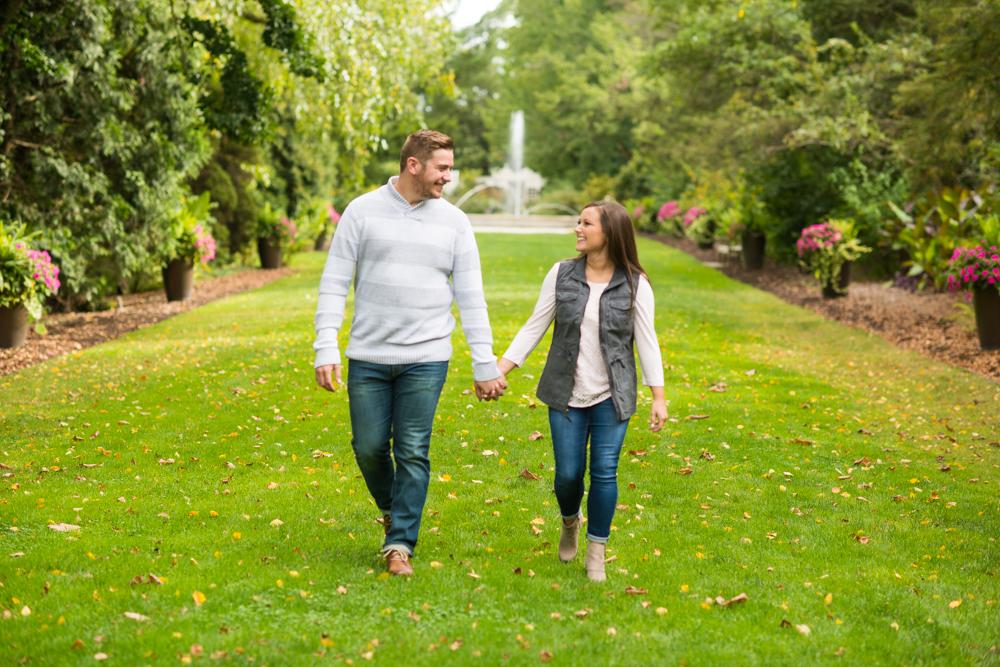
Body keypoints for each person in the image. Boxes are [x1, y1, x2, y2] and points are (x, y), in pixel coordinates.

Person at [313, 130, 507, 577]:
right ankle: (394, 506)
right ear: (413, 165)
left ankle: (399, 542)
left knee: (414, 449)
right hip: (369, 355)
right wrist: (326, 345)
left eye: (450, 168)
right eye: (442, 168)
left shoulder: (455, 222)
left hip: (427, 355)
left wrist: (484, 362)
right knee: (368, 447)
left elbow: (471, 297)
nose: (449, 177)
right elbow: (334, 282)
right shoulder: (362, 212)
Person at [497, 200, 667, 582]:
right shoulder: (561, 274)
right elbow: (533, 327)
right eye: (578, 221)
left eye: (586, 223)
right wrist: (498, 370)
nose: (577, 228)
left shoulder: (636, 284)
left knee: (605, 471)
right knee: (569, 475)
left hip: (613, 394)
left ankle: (596, 551)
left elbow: (648, 341)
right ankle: (570, 521)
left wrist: (658, 397)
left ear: (609, 233)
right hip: (566, 392)